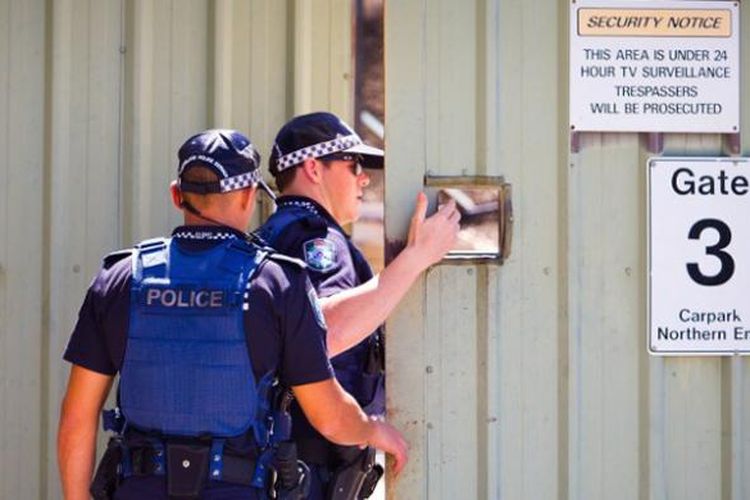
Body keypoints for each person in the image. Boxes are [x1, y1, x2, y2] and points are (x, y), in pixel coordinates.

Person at [57, 129, 408, 500]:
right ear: (248, 197)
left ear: (177, 195)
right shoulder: (277, 283)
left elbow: (76, 420)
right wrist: (372, 431)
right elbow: (329, 416)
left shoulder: (120, 279)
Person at [256, 112, 460, 499]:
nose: (364, 177)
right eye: (353, 165)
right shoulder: (315, 239)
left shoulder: (274, 235)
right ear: (313, 169)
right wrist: (417, 257)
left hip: (284, 461)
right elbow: (322, 334)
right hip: (309, 465)